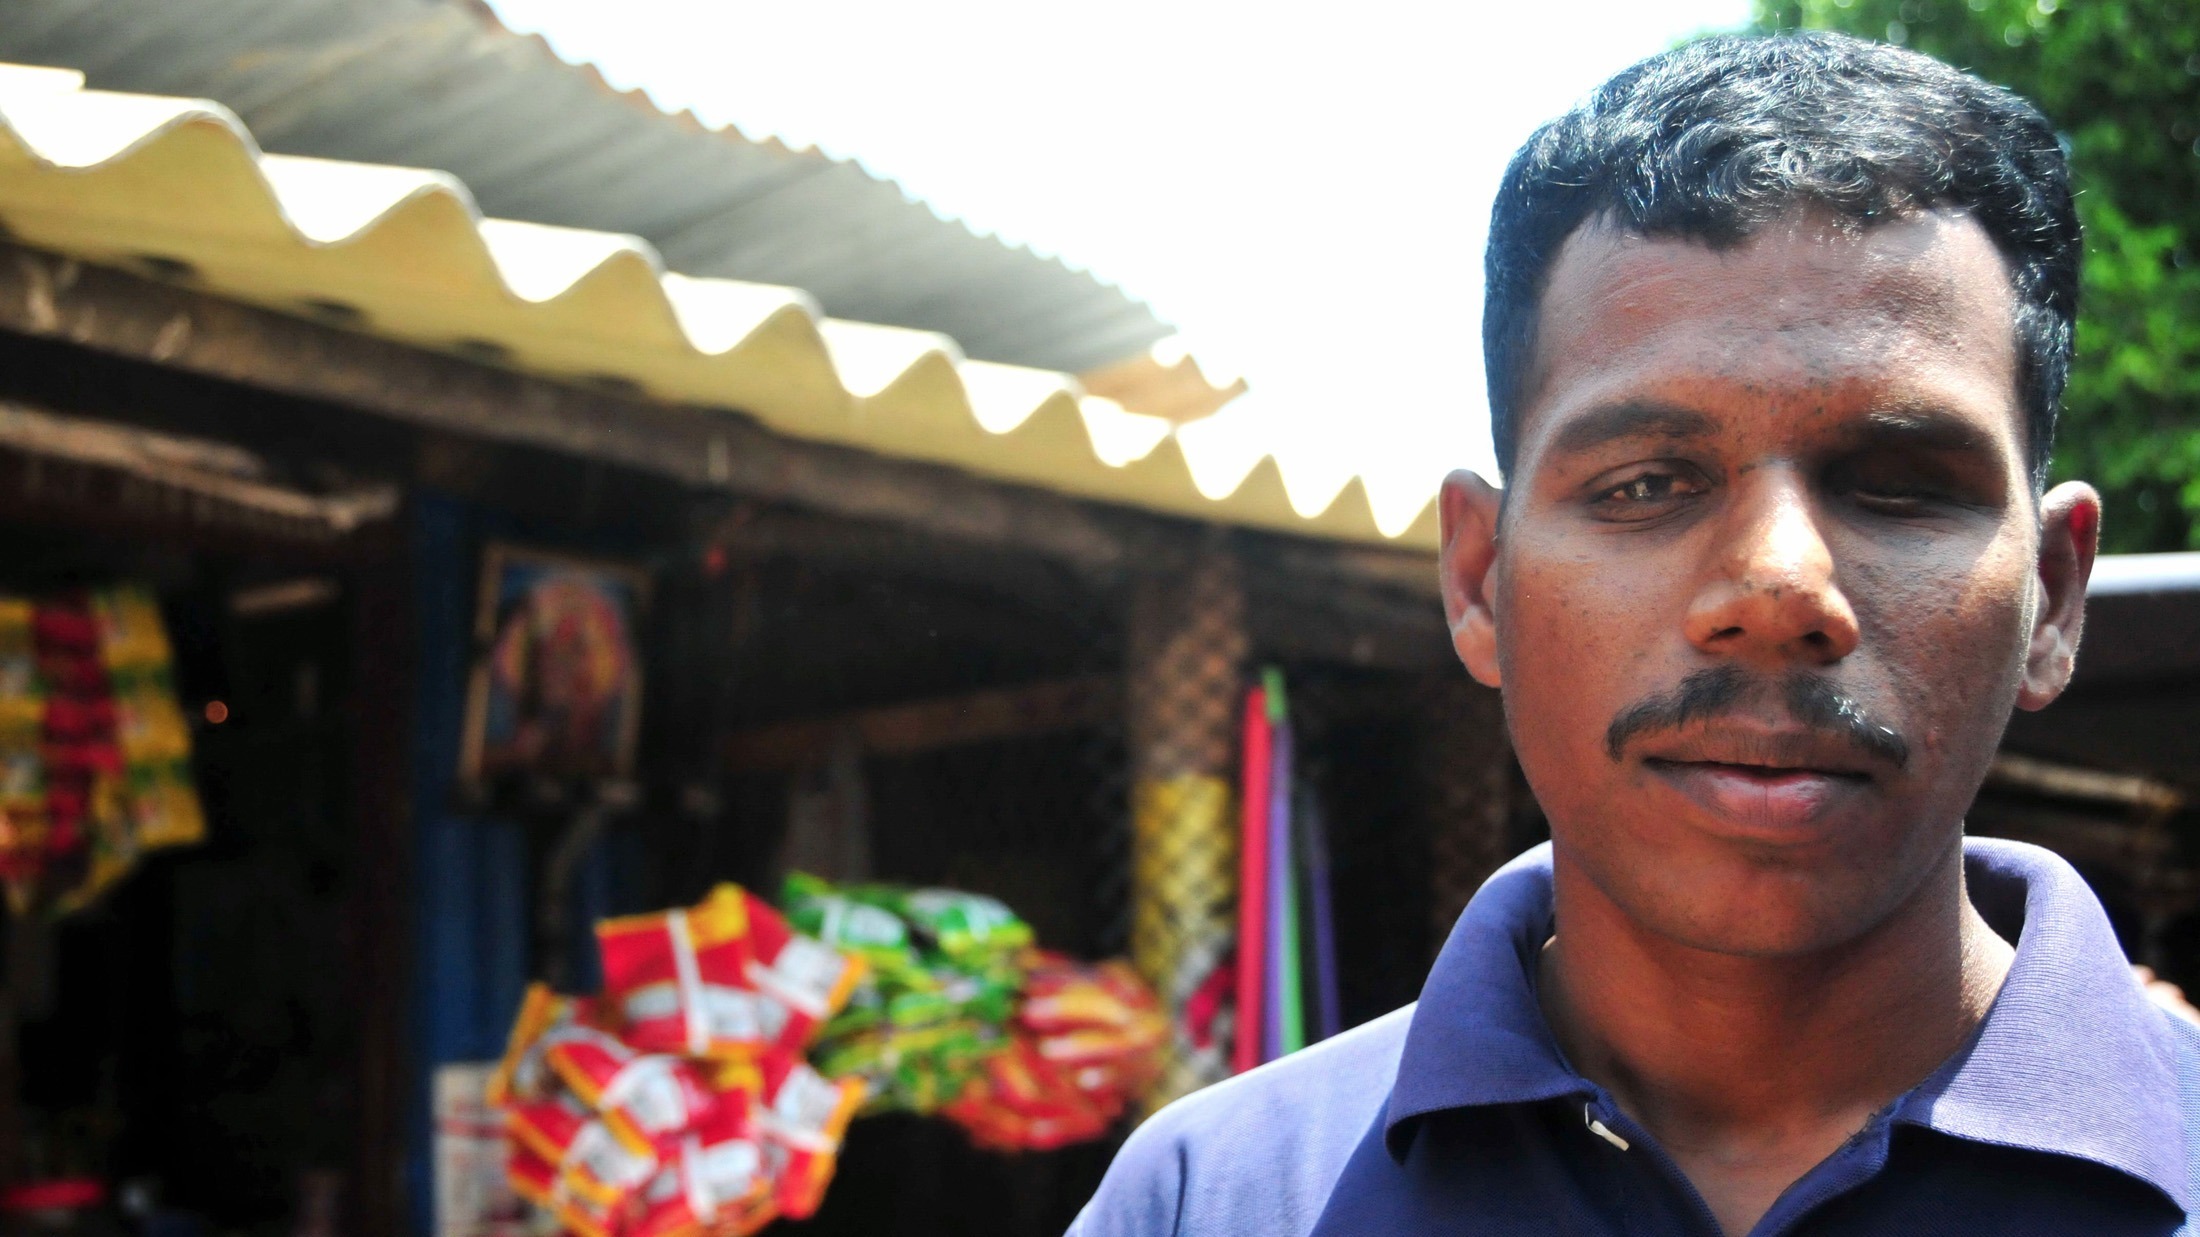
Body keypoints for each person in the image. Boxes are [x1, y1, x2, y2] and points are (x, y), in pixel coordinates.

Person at [1068, 30, 2200, 1237]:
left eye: (1898, 483)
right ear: (1479, 580)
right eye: (1645, 485)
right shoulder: (1216, 1200)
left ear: (2053, 597)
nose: (1776, 586)